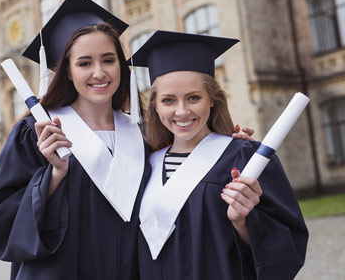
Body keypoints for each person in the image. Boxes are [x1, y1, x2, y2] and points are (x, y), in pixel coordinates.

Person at [0, 0, 151, 280]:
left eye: (108, 60)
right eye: (84, 63)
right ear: (66, 71)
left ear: (121, 65)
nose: (99, 72)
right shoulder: (36, 133)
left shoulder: (142, 133)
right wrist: (53, 177)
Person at [130, 30, 309, 280]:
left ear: (212, 99)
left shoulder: (244, 157)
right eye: (168, 100)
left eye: (193, 98)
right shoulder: (143, 165)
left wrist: (243, 221)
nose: (182, 111)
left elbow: (286, 246)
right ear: (155, 106)